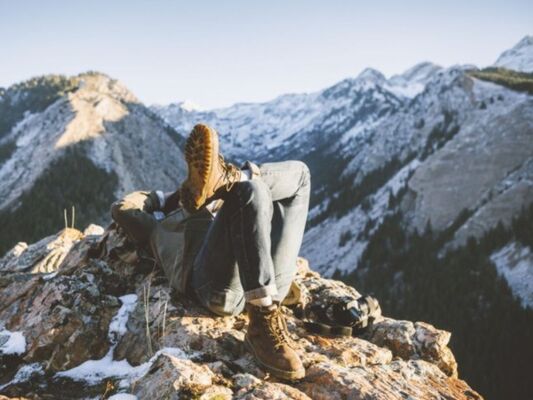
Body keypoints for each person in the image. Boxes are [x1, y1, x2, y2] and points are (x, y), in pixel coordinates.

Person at [111, 123, 310, 381]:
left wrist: (211, 197)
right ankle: (262, 320)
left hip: (270, 277)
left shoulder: (222, 205)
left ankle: (231, 178)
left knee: (300, 175)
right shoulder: (156, 226)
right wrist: (166, 199)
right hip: (215, 286)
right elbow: (121, 208)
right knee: (252, 190)